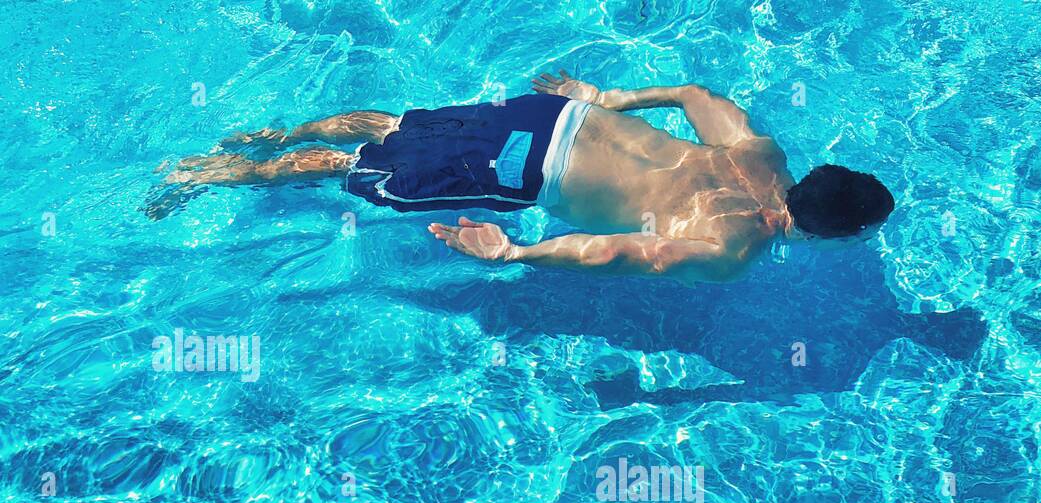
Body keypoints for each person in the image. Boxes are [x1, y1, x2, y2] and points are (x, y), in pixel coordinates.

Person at [165, 71, 895, 282]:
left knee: (399, 123)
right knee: (366, 171)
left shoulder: (763, 155)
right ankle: (222, 173)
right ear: (831, 233)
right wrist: (514, 254)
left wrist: (606, 100)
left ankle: (282, 130)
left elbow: (697, 98)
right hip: (524, 168)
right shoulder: (735, 247)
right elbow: (618, 252)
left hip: (556, 119)